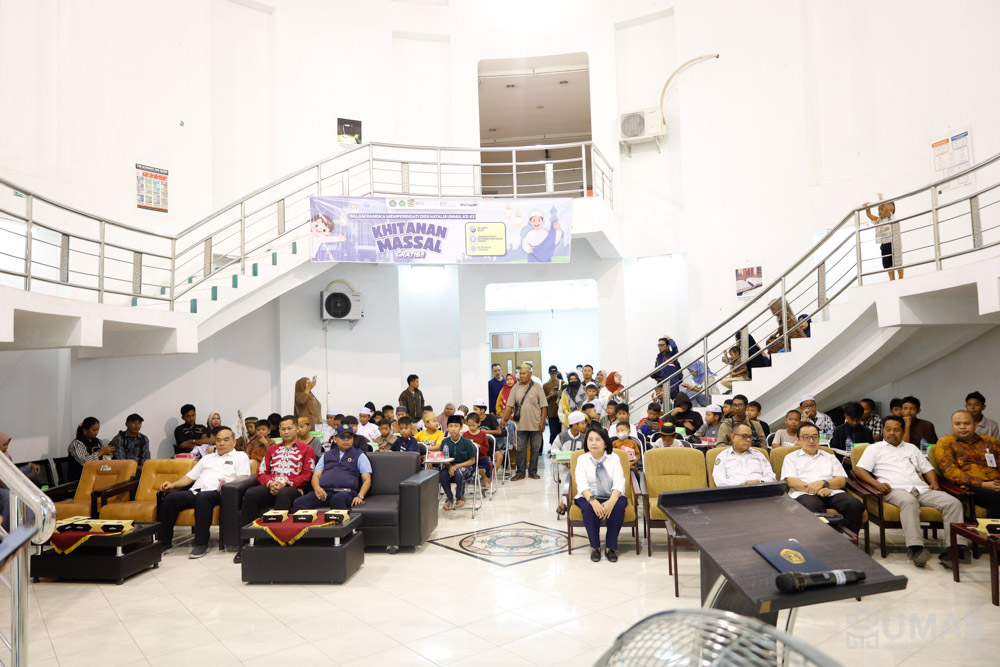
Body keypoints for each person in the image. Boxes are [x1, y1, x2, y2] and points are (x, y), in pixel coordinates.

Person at [855, 416, 967, 567]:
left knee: (953, 503)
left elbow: (928, 469)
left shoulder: (912, 448)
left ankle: (954, 550)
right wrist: (877, 484)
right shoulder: (874, 448)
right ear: (883, 430)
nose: (891, 433)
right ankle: (916, 549)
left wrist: (934, 483)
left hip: (921, 488)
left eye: (896, 430)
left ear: (903, 431)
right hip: (894, 489)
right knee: (909, 501)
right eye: (888, 429)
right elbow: (860, 470)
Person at [158, 426, 250, 558]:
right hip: (196, 491)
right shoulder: (207, 458)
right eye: (218, 440)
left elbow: (243, 477)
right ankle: (165, 543)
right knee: (170, 498)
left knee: (203, 498)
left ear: (234, 442)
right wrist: (172, 484)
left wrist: (228, 485)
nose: (221, 443)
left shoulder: (240, 456)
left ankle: (201, 544)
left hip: (220, 493)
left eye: (226, 440)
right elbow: (189, 477)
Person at [781, 423, 864, 534]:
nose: (811, 441)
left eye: (815, 437)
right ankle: (822, 540)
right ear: (798, 440)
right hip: (805, 494)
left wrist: (824, 483)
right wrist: (818, 490)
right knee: (812, 506)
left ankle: (849, 539)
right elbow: (792, 482)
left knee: (854, 505)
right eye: (806, 437)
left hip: (831, 492)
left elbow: (841, 480)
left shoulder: (830, 457)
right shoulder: (791, 458)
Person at [238, 415, 316, 529]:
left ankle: (277, 535)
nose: (286, 432)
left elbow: (307, 475)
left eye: (289, 428)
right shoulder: (272, 449)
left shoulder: (307, 449)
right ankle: (246, 534)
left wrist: (285, 483)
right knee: (251, 494)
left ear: (297, 429)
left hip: (293, 487)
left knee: (283, 494)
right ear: (279, 431)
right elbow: (261, 471)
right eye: (283, 429)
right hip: (272, 485)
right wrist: (270, 483)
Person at [574, 426, 628, 563]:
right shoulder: (582, 459)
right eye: (590, 439)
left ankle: (610, 548)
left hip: (612, 495)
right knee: (588, 509)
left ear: (605, 443)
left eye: (598, 439)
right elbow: (581, 483)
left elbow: (619, 481)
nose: (593, 443)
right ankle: (595, 547)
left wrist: (611, 501)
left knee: (618, 507)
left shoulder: (614, 458)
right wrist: (593, 501)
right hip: (588, 496)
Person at [934, 410, 1000, 518]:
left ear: (975, 425)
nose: (962, 427)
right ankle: (994, 529)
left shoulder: (991, 442)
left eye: (967, 423)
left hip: (996, 483)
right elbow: (950, 471)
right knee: (996, 497)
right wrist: (983, 484)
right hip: (968, 488)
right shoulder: (946, 442)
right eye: (957, 424)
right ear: (952, 425)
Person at [292, 426, 372, 511]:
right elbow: (316, 475)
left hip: (346, 492)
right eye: (342, 437)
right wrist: (317, 488)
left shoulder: (359, 455)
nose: (346, 439)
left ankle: (338, 520)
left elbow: (367, 480)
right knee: (299, 502)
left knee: (337, 498)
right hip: (324, 492)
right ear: (335, 439)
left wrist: (360, 496)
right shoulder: (327, 455)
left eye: (349, 437)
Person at [500, 363, 547, 481]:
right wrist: (504, 419)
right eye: (520, 374)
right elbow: (509, 406)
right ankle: (520, 473)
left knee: (535, 449)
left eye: (524, 373)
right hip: (521, 425)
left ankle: (532, 472)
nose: (521, 376)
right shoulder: (515, 388)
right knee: (520, 449)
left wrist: (542, 422)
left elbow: (544, 406)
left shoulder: (537, 387)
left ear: (530, 374)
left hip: (536, 424)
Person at [438, 416, 478, 510]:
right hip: (450, 467)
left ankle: (460, 497)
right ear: (447, 427)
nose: (453, 429)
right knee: (442, 474)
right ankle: (449, 497)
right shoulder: (445, 442)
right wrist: (449, 467)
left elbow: (472, 460)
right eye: (450, 426)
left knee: (459, 472)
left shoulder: (467, 442)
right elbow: (444, 459)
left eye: (456, 426)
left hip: (466, 467)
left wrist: (457, 466)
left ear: (461, 427)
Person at [865, 199, 901, 280]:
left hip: (892, 243)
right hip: (884, 245)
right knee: (888, 265)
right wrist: (867, 207)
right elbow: (869, 215)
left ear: (890, 210)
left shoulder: (890, 217)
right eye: (878, 210)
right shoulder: (878, 220)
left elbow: (887, 210)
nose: (879, 211)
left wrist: (883, 201)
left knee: (898, 262)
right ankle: (892, 279)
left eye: (882, 209)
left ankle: (901, 278)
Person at [465, 412, 493, 491]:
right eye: (469, 425)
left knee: (489, 465)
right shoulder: (465, 435)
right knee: (464, 467)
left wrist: (479, 446)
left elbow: (486, 449)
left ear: (479, 423)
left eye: (473, 425)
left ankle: (487, 478)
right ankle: (463, 484)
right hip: (470, 458)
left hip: (481, 457)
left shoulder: (482, 434)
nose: (471, 427)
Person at [543, 365, 563, 443]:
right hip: (552, 413)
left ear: (557, 373)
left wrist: (560, 393)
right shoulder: (546, 385)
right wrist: (550, 395)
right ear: (549, 373)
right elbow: (543, 400)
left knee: (562, 432)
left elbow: (567, 397)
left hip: (562, 412)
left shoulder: (562, 383)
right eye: (552, 374)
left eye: (555, 373)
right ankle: (553, 447)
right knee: (553, 432)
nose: (553, 375)